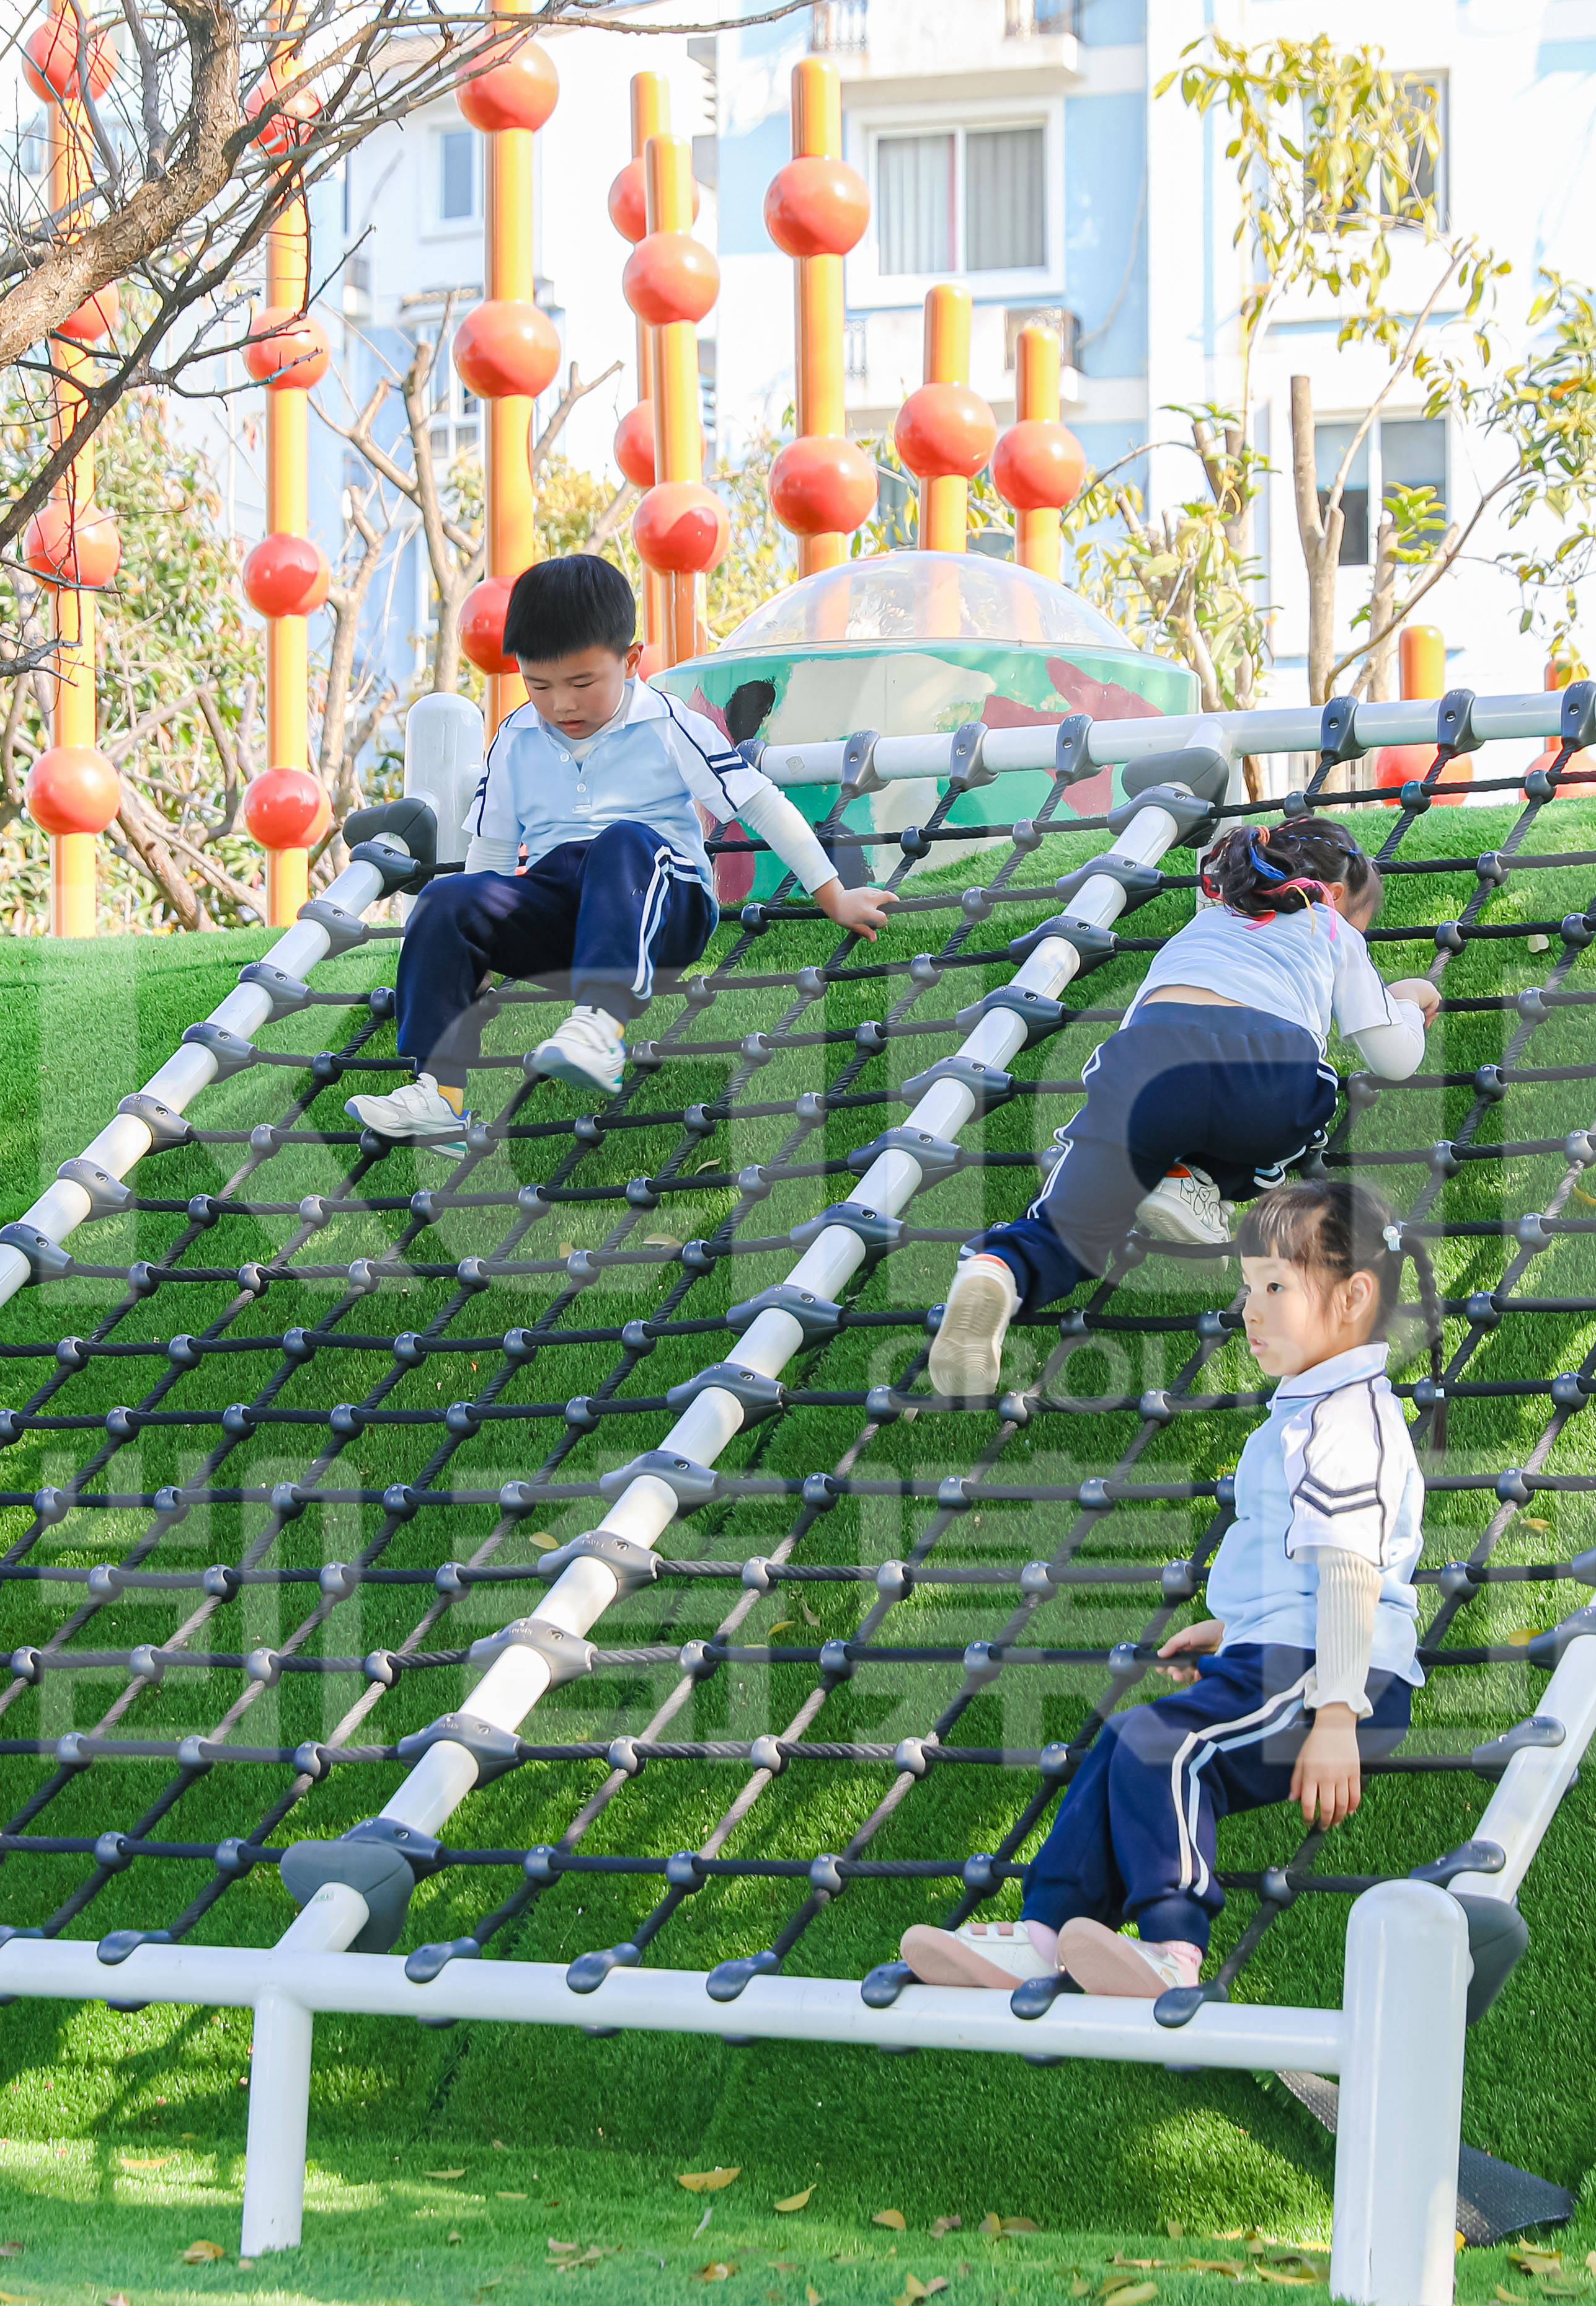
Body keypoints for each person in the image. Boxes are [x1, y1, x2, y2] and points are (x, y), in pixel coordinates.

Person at [905, 1177, 1432, 1998]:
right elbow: (1302, 1561)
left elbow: (1352, 1571)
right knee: (1125, 1740)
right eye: (1246, 1288)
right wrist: (1233, 1632)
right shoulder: (1305, 1411)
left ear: (1353, 1297)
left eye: (1274, 1288)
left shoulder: (1346, 1420)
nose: (1248, 1310)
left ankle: (1173, 1947)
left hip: (1341, 1672)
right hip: (1285, 1653)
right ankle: (1047, 1933)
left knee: (1168, 1746)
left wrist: (1335, 1712)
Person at [345, 552, 896, 1145]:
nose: (562, 705)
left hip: (664, 905)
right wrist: (475, 946)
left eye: (583, 683)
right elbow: (495, 855)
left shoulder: (666, 722)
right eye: (539, 685)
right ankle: (439, 1096)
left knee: (620, 841)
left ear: (631, 662)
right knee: (447, 898)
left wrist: (833, 895)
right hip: (567, 921)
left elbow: (759, 803)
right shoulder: (516, 736)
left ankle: (600, 1028)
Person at [929, 812, 1437, 1398]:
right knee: (1309, 1109)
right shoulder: (1330, 927)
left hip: (1144, 1060)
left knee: (1074, 1221)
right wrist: (1406, 998)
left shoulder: (1211, 916)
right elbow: (1392, 1058)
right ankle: (1204, 1181)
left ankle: (1000, 1271)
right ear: (1339, 894)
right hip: (1267, 1069)